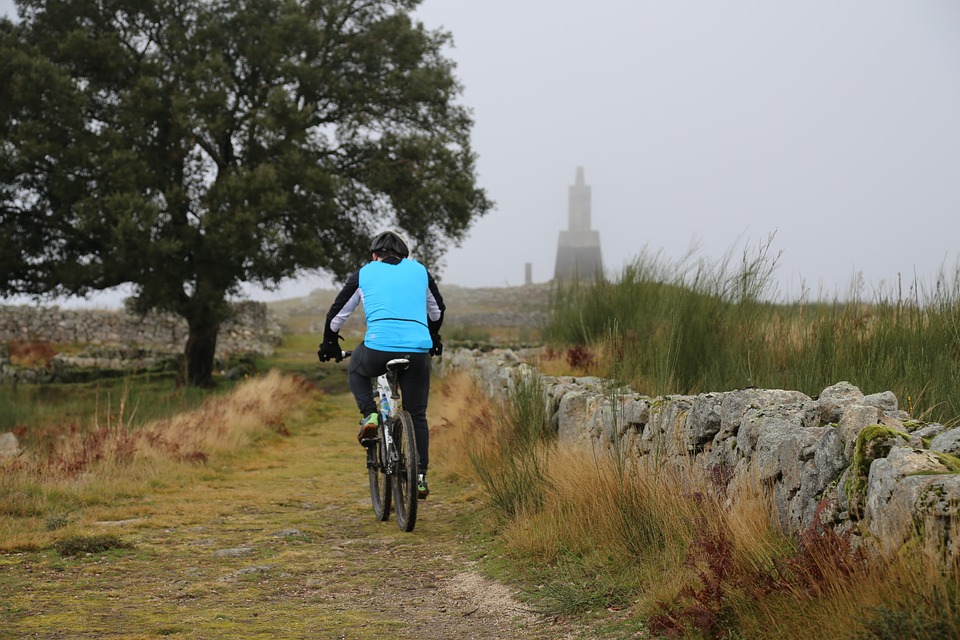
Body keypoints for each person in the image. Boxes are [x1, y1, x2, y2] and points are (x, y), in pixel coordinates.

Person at [317, 230, 444, 499]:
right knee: (417, 414)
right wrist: (433, 337)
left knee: (357, 369)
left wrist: (329, 343)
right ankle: (420, 476)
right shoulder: (420, 271)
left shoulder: (365, 273)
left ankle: (369, 414)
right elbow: (437, 311)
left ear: (375, 256)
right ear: (405, 256)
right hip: (418, 351)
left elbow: (337, 315)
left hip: (378, 348)